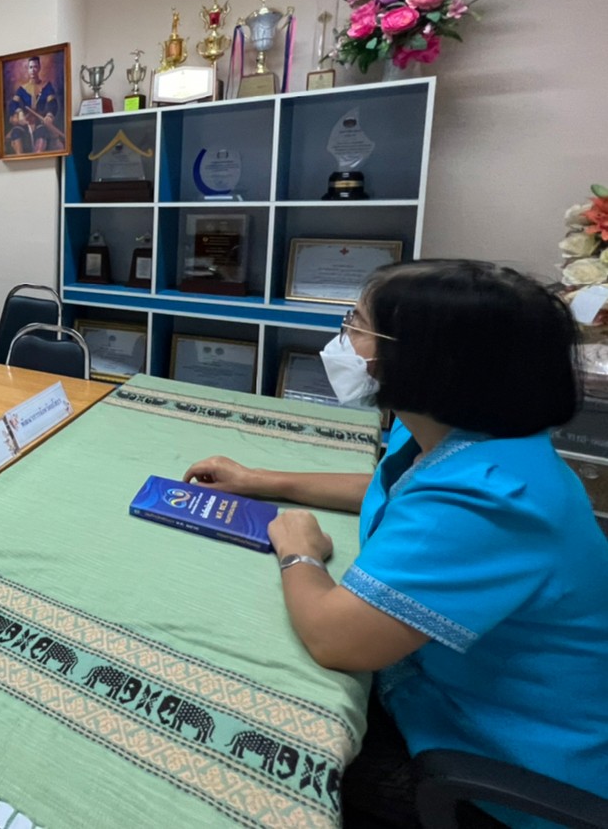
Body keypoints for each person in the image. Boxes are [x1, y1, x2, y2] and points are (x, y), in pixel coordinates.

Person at [182, 261, 608, 828]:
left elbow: (338, 640)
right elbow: (396, 488)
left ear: (428, 361)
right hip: (435, 691)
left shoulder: (494, 500)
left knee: (229, 745)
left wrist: (298, 549)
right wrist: (263, 480)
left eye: (357, 326)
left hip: (495, 769)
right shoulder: (459, 432)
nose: (344, 340)